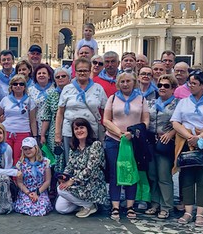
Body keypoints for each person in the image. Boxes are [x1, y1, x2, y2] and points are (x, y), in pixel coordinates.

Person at [171, 70, 203, 228]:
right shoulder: (184, 102)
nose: (190, 86)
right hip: (186, 141)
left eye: (194, 83)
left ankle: (200, 212)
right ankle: (187, 211)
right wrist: (188, 136)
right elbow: (175, 121)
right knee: (186, 176)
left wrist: (200, 137)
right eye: (189, 83)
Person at [102, 71, 149, 221]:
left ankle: (130, 206)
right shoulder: (113, 98)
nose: (125, 84)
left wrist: (132, 133)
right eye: (122, 81)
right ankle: (115, 206)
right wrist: (119, 133)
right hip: (113, 140)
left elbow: (145, 122)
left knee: (131, 172)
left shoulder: (141, 99)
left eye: (128, 81)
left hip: (133, 141)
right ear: (118, 84)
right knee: (115, 173)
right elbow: (106, 120)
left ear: (134, 82)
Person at [55, 58, 107, 163]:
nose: (82, 73)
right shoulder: (67, 88)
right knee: (70, 162)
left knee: (91, 162)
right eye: (79, 70)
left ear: (90, 71)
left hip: (91, 131)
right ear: (75, 71)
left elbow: (104, 110)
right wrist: (58, 134)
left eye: (85, 70)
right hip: (70, 132)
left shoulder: (98, 88)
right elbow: (60, 112)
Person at [55, 118, 107, 217]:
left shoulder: (95, 145)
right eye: (76, 129)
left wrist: (72, 181)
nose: (79, 131)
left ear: (88, 129)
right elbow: (69, 166)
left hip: (92, 183)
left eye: (82, 127)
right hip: (77, 184)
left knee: (60, 190)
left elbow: (90, 169)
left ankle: (90, 205)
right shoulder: (74, 147)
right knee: (61, 209)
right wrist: (64, 177)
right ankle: (83, 204)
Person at [145, 74, 179, 219]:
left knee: (164, 175)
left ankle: (166, 206)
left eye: (166, 86)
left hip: (166, 142)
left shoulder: (178, 104)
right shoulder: (151, 103)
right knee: (152, 174)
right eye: (160, 85)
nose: (162, 88)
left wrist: (171, 133)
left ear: (173, 88)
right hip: (151, 141)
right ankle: (154, 203)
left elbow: (182, 122)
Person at [0, 74, 37, 161]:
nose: (18, 86)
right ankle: (6, 174)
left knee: (19, 158)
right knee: (6, 157)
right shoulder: (5, 99)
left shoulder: (29, 101)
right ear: (11, 86)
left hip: (23, 132)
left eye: (21, 84)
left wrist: (35, 136)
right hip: (7, 132)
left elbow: (32, 120)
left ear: (24, 86)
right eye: (15, 84)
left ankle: (16, 174)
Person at [40, 66, 71, 172]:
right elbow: (46, 116)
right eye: (58, 77)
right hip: (54, 132)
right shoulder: (51, 95)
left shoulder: (74, 93)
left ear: (69, 78)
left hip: (71, 129)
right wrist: (43, 135)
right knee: (56, 160)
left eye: (64, 76)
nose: (61, 78)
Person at [14, 137, 53, 216]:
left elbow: (47, 181)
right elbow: (20, 182)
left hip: (40, 190)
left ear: (36, 148)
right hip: (26, 191)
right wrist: (28, 193)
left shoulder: (45, 162)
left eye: (30, 148)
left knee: (41, 205)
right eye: (25, 149)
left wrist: (38, 192)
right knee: (27, 205)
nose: (28, 151)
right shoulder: (20, 163)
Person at [29, 64, 55, 134]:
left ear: (49, 76)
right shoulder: (30, 91)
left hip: (52, 125)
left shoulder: (54, 90)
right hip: (35, 125)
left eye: (44, 73)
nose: (41, 75)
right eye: (39, 73)